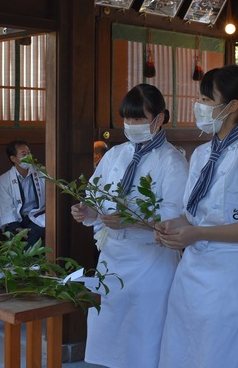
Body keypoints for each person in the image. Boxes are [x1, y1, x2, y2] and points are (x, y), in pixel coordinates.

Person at [155, 65, 238, 367]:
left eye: (206, 98)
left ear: (233, 106)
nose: (199, 105)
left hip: (233, 275)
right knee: (183, 352)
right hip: (192, 274)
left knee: (223, 355)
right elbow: (194, 215)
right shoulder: (202, 154)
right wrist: (168, 228)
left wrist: (199, 234)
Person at [70, 84, 188, 368]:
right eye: (128, 119)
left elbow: (174, 217)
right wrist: (88, 210)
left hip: (151, 260)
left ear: (159, 119)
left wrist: (133, 221)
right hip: (113, 260)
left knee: (144, 335)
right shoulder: (116, 154)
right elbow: (96, 195)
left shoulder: (172, 162)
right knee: (108, 328)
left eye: (139, 119)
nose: (132, 125)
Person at [0, 140, 46, 248]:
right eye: (24, 154)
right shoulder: (4, 180)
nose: (28, 156)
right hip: (17, 220)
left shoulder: (42, 172)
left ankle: (35, 264)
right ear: (13, 158)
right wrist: (17, 228)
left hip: (38, 216)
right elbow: (6, 208)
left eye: (29, 152)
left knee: (36, 233)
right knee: (13, 236)